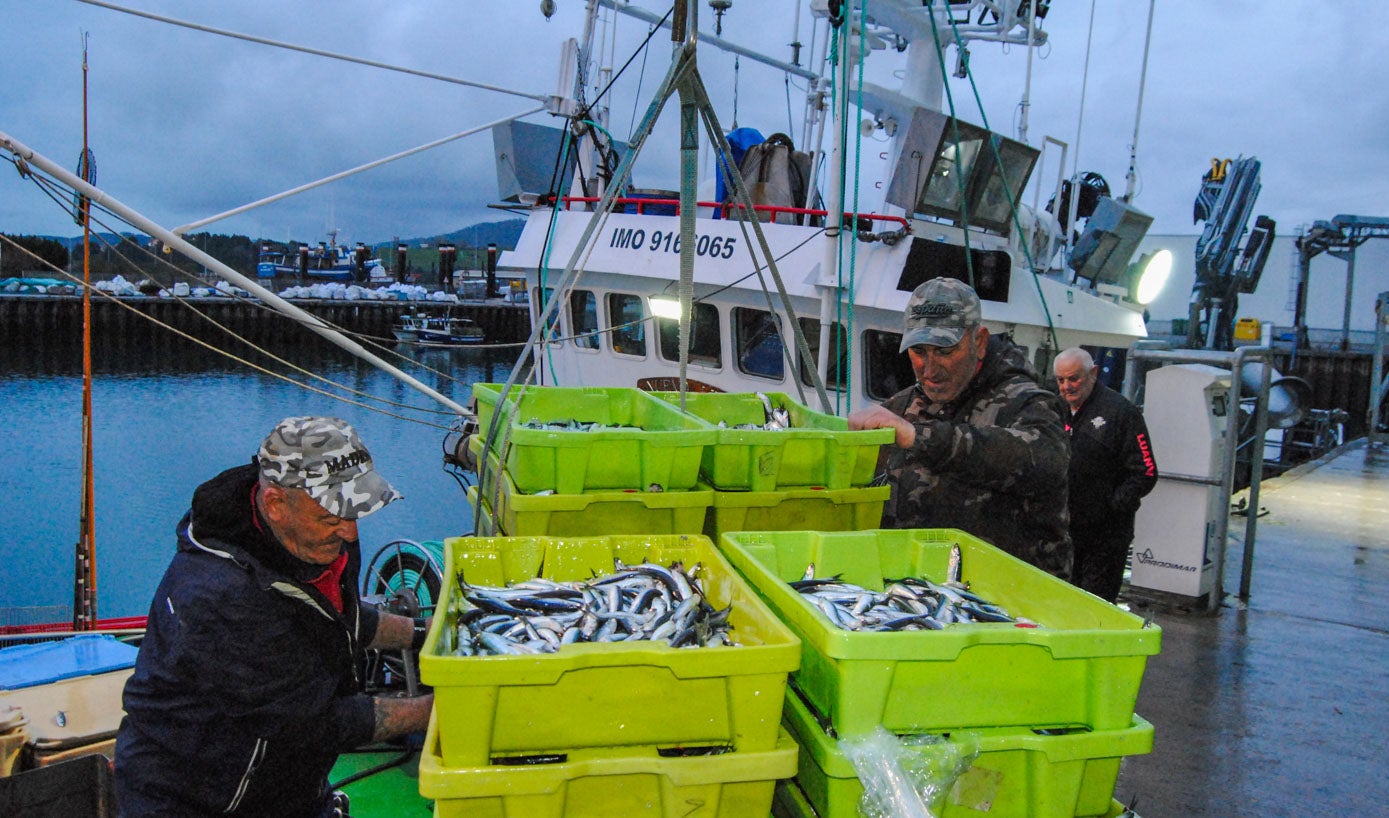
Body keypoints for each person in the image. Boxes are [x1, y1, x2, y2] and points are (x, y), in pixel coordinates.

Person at [115, 416, 434, 817]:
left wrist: (425, 632)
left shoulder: (315, 539)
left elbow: (340, 617)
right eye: (332, 518)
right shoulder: (222, 598)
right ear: (276, 505)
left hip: (287, 785)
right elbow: (315, 722)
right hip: (199, 798)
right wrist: (441, 709)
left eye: (355, 513)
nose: (350, 533)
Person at [848, 277, 1072, 577]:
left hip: (1008, 606)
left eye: (944, 351)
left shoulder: (1028, 403)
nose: (929, 368)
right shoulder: (902, 405)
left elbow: (1045, 460)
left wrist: (918, 437)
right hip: (918, 598)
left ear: (978, 342)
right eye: (918, 351)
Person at [1053, 348, 1158, 602]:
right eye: (1061, 380)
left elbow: (1146, 471)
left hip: (1105, 537)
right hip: (1064, 531)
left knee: (1095, 605)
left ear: (1093, 374)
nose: (1067, 386)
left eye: (1074, 378)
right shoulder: (1056, 409)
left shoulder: (1121, 413)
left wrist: (1113, 506)